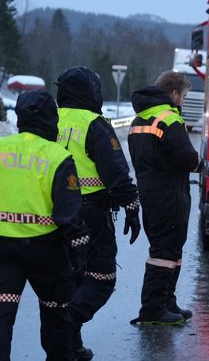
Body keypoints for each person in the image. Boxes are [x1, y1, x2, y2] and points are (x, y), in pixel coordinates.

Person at [0, 90, 89, 361]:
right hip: (45, 250)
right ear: (51, 118)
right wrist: (80, 255)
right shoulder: (57, 156)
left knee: (0, 315)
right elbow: (69, 214)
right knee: (55, 314)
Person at [55, 66, 141, 359]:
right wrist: (131, 206)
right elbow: (116, 171)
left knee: (73, 278)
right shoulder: (95, 123)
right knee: (102, 278)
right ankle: (66, 328)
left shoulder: (48, 119)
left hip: (54, 216)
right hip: (90, 214)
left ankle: (71, 346)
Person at [127, 71, 209, 325]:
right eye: (182, 96)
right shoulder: (169, 119)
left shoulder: (140, 118)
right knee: (164, 251)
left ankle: (165, 303)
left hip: (151, 191)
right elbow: (184, 155)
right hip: (169, 192)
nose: (182, 101)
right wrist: (203, 165)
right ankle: (152, 308)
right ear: (173, 94)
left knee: (170, 248)